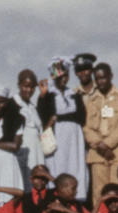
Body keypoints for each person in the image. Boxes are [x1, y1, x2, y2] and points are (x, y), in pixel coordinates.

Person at [38, 58, 88, 200]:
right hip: (58, 135)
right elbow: (42, 114)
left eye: (65, 76)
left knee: (75, 163)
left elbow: (81, 116)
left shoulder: (73, 94)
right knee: (58, 163)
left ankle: (77, 196)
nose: (63, 79)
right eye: (59, 77)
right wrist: (43, 96)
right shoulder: (48, 95)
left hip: (74, 136)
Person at [83, 63, 118, 201]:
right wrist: (100, 145)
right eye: (97, 79)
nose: (101, 82)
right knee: (99, 193)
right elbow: (87, 128)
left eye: (103, 78)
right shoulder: (91, 101)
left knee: (117, 189)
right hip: (98, 153)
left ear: (111, 76)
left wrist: (107, 144)